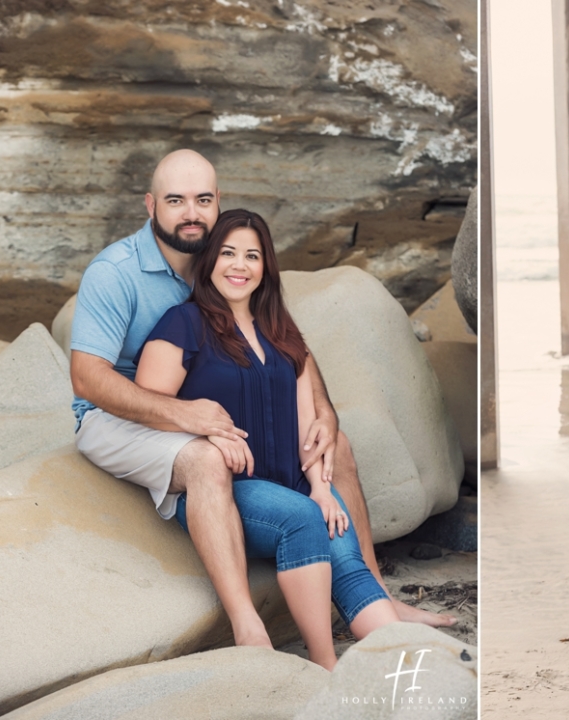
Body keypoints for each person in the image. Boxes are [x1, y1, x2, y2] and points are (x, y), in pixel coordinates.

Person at [69, 149, 454, 652]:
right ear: (150, 205)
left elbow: (289, 350)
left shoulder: (217, 259)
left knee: (337, 449)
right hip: (115, 412)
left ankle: (377, 594)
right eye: (176, 200)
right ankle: (247, 624)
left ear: (218, 203)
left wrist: (325, 415)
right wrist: (190, 417)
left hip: (189, 405)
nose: (191, 212)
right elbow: (87, 379)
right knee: (208, 461)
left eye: (203, 200)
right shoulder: (116, 273)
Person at [134, 209, 398, 668]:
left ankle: (406, 653)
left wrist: (321, 488)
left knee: (343, 547)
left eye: (252, 256)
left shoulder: (280, 330)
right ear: (210, 260)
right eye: (229, 253)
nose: (240, 265)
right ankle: (324, 664)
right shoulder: (183, 323)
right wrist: (207, 433)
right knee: (301, 519)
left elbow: (308, 424)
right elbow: (147, 409)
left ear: (265, 267)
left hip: (295, 478)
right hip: (231, 490)